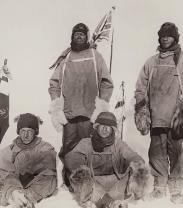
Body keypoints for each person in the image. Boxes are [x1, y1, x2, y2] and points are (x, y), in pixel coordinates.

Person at [134, 22, 183, 204]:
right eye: (162, 35)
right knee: (156, 152)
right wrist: (142, 107)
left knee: (175, 153)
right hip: (157, 116)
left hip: (176, 118)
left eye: (169, 35)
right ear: (159, 38)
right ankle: (159, 187)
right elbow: (141, 88)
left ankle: (175, 190)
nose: (165, 38)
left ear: (175, 37)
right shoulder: (151, 62)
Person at [48, 23, 114, 188]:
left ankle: (90, 181)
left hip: (89, 114)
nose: (79, 37)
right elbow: (54, 83)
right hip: (69, 115)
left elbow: (106, 82)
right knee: (69, 149)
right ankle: (70, 181)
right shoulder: (66, 58)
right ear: (72, 37)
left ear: (86, 36)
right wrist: (57, 105)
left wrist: (102, 105)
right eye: (76, 34)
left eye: (82, 34)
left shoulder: (95, 56)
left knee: (90, 148)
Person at [65, 112, 150, 208]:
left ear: (112, 130)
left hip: (115, 184)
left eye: (109, 126)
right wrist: (80, 168)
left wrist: (137, 166)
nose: (105, 129)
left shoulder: (118, 144)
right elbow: (72, 157)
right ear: (97, 127)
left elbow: (131, 155)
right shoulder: (86, 142)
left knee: (137, 170)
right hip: (94, 185)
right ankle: (97, 202)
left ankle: (114, 202)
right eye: (102, 125)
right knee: (78, 175)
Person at [0, 113, 57, 207]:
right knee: (9, 177)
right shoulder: (9, 150)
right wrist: (3, 189)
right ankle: (15, 197)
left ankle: (23, 199)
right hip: (14, 186)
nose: (26, 135)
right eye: (23, 130)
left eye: (30, 131)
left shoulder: (45, 148)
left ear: (35, 132)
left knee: (50, 180)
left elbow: (50, 173)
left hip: (35, 186)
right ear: (18, 131)